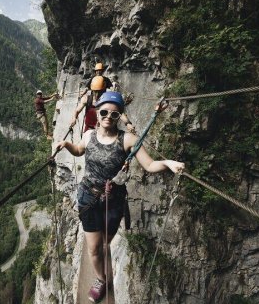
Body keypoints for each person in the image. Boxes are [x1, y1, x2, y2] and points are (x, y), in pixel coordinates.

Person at [57, 91, 185, 303]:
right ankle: (101, 279)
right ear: (97, 113)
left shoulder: (128, 139)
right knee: (94, 248)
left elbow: (150, 164)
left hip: (113, 200)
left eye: (114, 114)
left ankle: (102, 269)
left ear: (119, 117)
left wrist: (168, 163)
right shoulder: (89, 135)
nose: (108, 116)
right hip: (88, 197)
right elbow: (80, 150)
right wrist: (67, 146)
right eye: (104, 112)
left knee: (105, 242)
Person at [71, 79, 135, 133]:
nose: (97, 94)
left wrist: (128, 123)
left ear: (104, 90)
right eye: (95, 91)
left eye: (100, 91)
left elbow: (119, 113)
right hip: (89, 129)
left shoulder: (107, 100)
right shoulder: (86, 99)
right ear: (92, 90)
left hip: (104, 131)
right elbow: (77, 110)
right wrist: (74, 118)